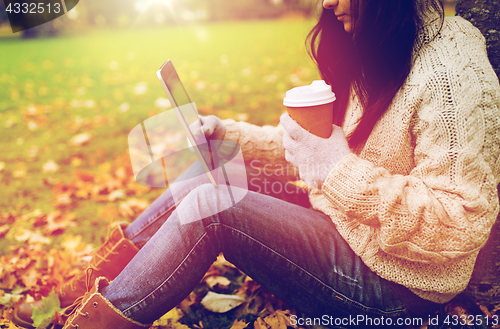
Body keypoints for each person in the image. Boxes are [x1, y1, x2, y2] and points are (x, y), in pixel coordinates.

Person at [14, 0, 500, 328]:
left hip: (399, 288)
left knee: (212, 206)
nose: (327, 2)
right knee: (211, 166)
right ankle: (77, 296)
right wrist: (231, 136)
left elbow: (458, 226)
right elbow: (319, 151)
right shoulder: (387, 43)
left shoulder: (450, 76)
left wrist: (339, 171)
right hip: (350, 227)